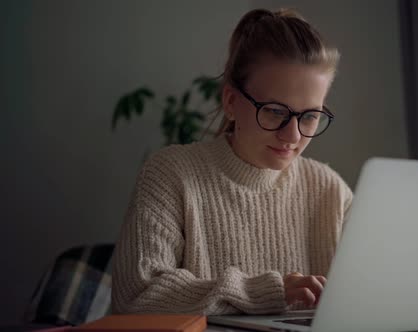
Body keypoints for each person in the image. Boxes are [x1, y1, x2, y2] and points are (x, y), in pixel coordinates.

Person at [111, 8, 353, 316]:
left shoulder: (330, 190)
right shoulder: (171, 173)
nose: (292, 135)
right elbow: (136, 296)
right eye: (275, 111)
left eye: (309, 117)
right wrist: (266, 291)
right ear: (230, 102)